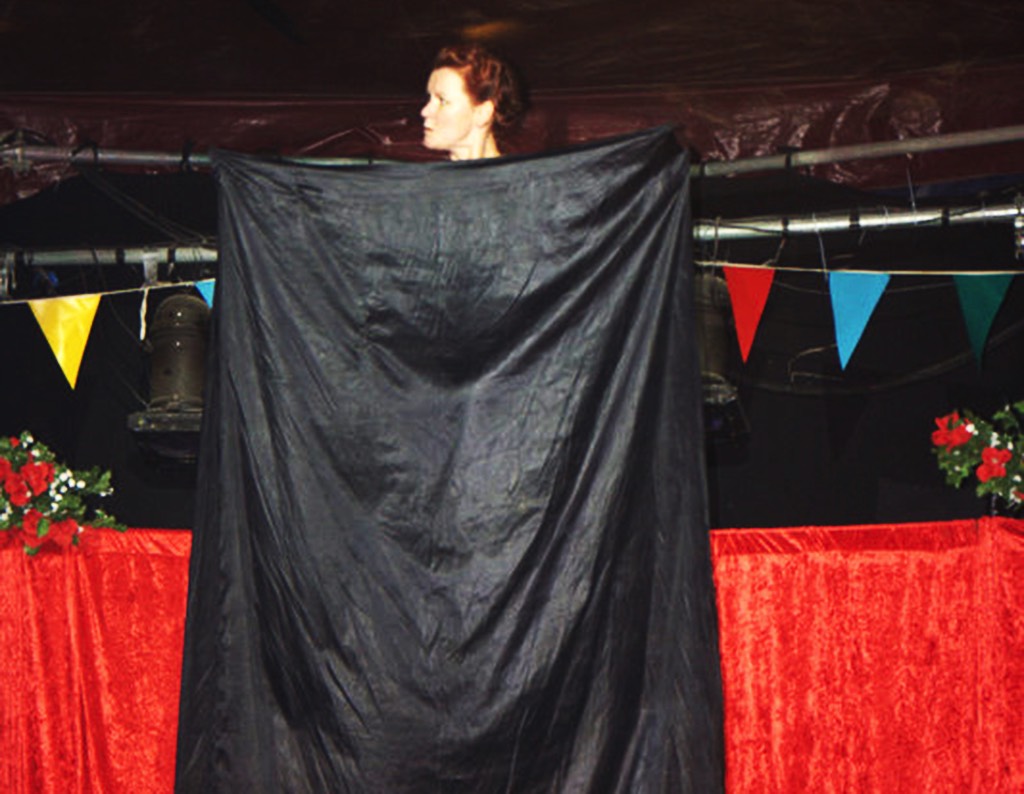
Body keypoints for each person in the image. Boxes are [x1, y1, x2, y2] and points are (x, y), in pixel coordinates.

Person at [420, 43, 525, 161]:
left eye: (442, 101)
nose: (424, 111)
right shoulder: (427, 172)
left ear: (482, 114)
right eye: (429, 98)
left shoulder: (523, 172)